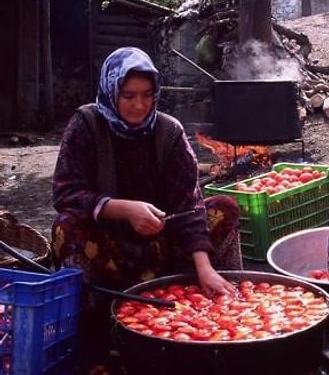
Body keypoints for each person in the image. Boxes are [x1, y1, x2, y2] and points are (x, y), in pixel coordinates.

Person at [51, 46, 242, 372]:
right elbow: (66, 192)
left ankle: (213, 300)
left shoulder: (168, 132)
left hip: (161, 244)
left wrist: (204, 264)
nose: (139, 105)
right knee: (65, 226)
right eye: (128, 96)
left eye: (147, 95)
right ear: (112, 91)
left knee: (223, 207)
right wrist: (121, 209)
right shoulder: (86, 125)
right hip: (108, 246)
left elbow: (188, 202)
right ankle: (94, 332)